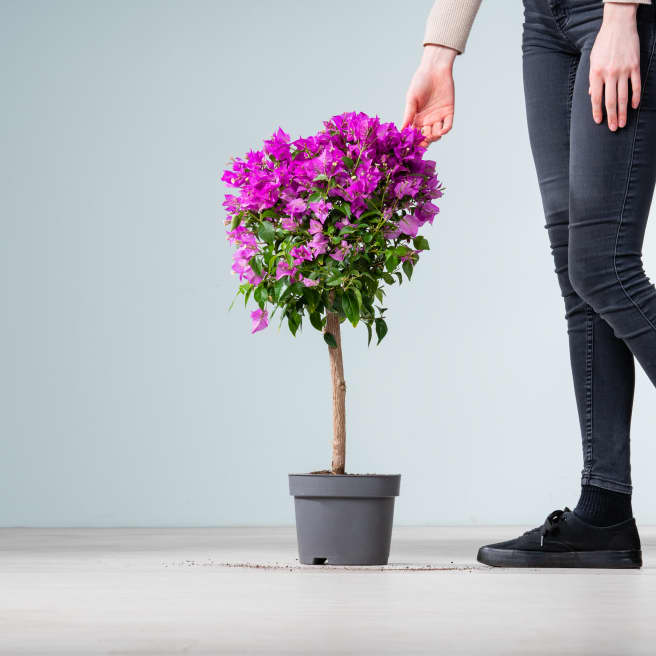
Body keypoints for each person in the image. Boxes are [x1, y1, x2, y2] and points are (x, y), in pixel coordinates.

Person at [405, 0, 656, 568]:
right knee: (580, 279)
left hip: (613, 14)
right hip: (544, 23)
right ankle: (605, 510)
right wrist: (438, 53)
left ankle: (605, 508)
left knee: (603, 265)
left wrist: (620, 16)